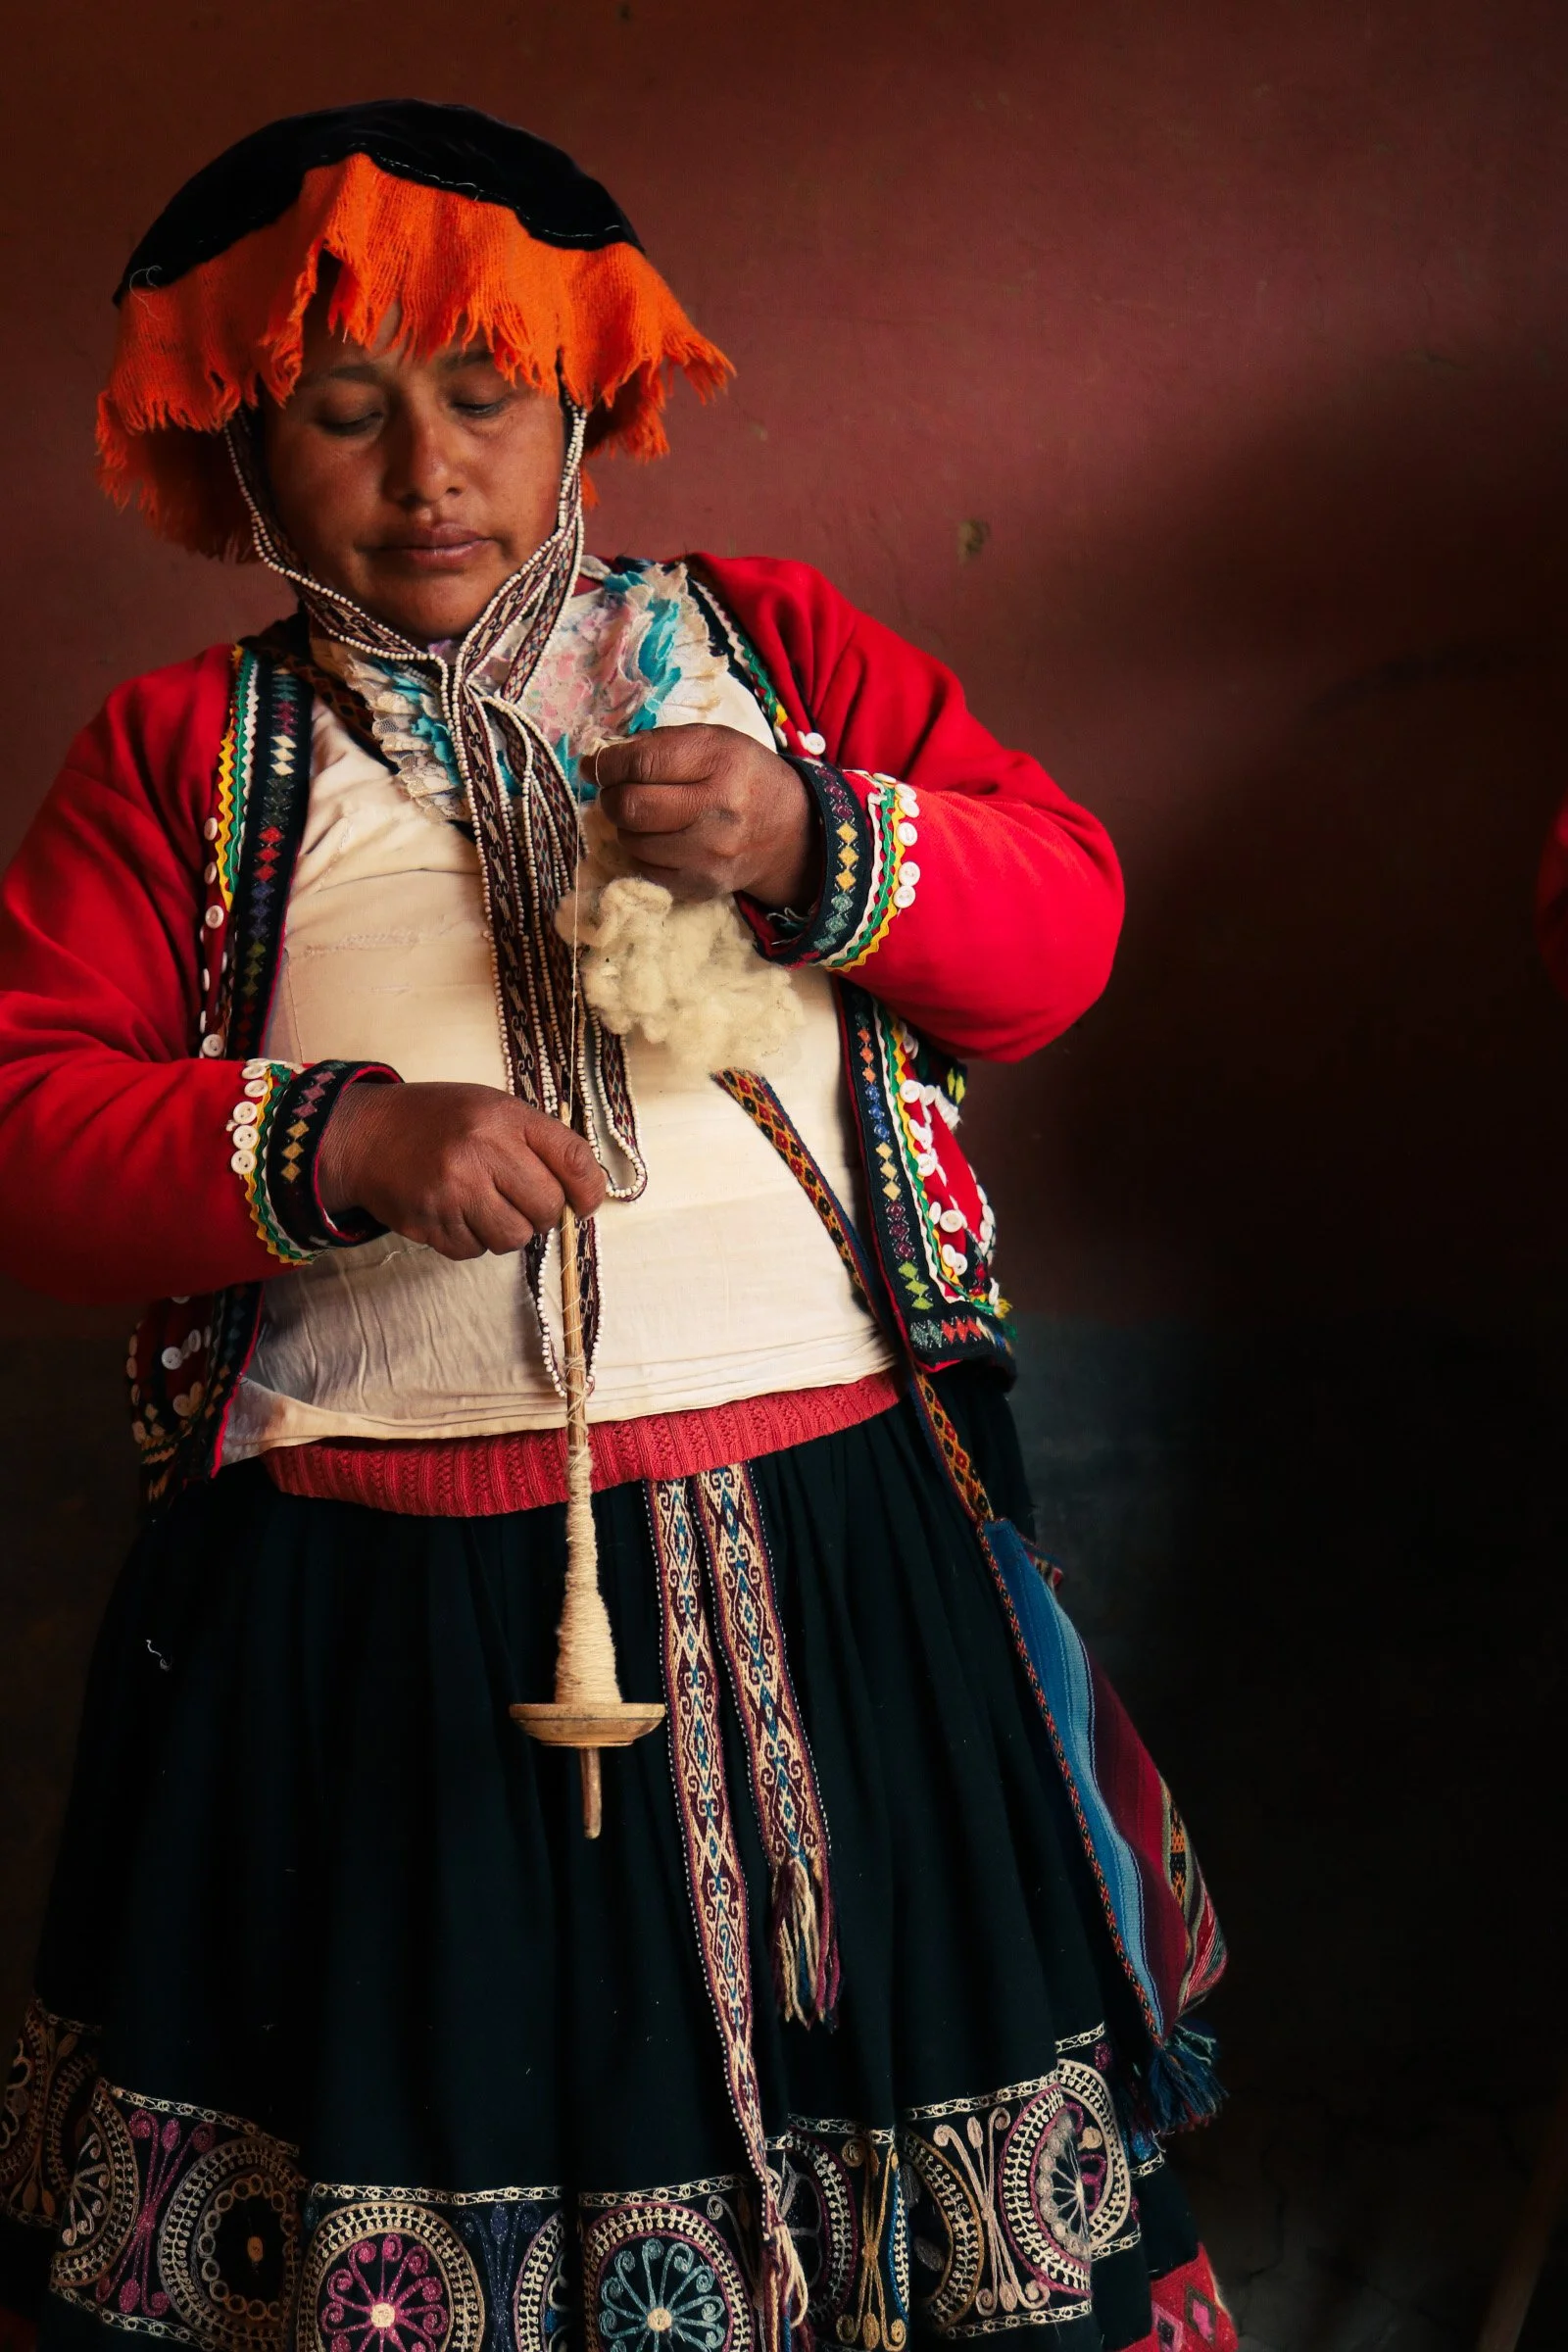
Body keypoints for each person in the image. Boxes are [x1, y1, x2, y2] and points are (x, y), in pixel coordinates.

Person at [0, 102, 1234, 2352]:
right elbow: (23, 1117)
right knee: (409, 2119)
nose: (426, 468)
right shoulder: (184, 758)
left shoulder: (764, 653)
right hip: (354, 1602)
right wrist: (341, 1142)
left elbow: (1055, 936)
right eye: (343, 414)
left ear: (580, 406)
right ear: (249, 462)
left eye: (484, 398)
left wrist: (810, 830)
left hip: (835, 1553)